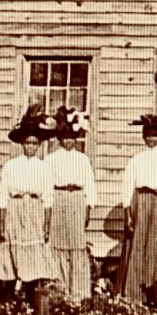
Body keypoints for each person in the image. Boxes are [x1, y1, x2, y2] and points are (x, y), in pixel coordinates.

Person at [0, 104, 57, 305]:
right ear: (22, 144)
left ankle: (32, 299)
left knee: (33, 255)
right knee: (12, 251)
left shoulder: (44, 167)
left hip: (34, 212)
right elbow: (3, 196)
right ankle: (9, 299)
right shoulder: (11, 166)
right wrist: (1, 223)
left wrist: (46, 225)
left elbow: (48, 198)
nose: (31, 147)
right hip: (15, 209)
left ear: (39, 145)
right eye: (28, 143)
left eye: (34, 144)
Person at [119, 113, 157, 304]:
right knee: (139, 244)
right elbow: (127, 187)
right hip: (141, 202)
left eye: (155, 135)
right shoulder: (136, 160)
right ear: (144, 137)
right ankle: (136, 293)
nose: (151, 138)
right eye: (148, 135)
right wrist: (128, 214)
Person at [46, 107, 97, 302]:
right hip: (59, 198)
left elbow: (89, 185)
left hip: (77, 199)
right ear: (59, 139)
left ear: (76, 138)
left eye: (71, 138)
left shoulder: (82, 159)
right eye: (65, 138)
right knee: (58, 243)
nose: (68, 141)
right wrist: (48, 210)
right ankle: (59, 291)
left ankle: (79, 294)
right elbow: (47, 186)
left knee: (76, 245)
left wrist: (88, 208)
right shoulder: (51, 159)